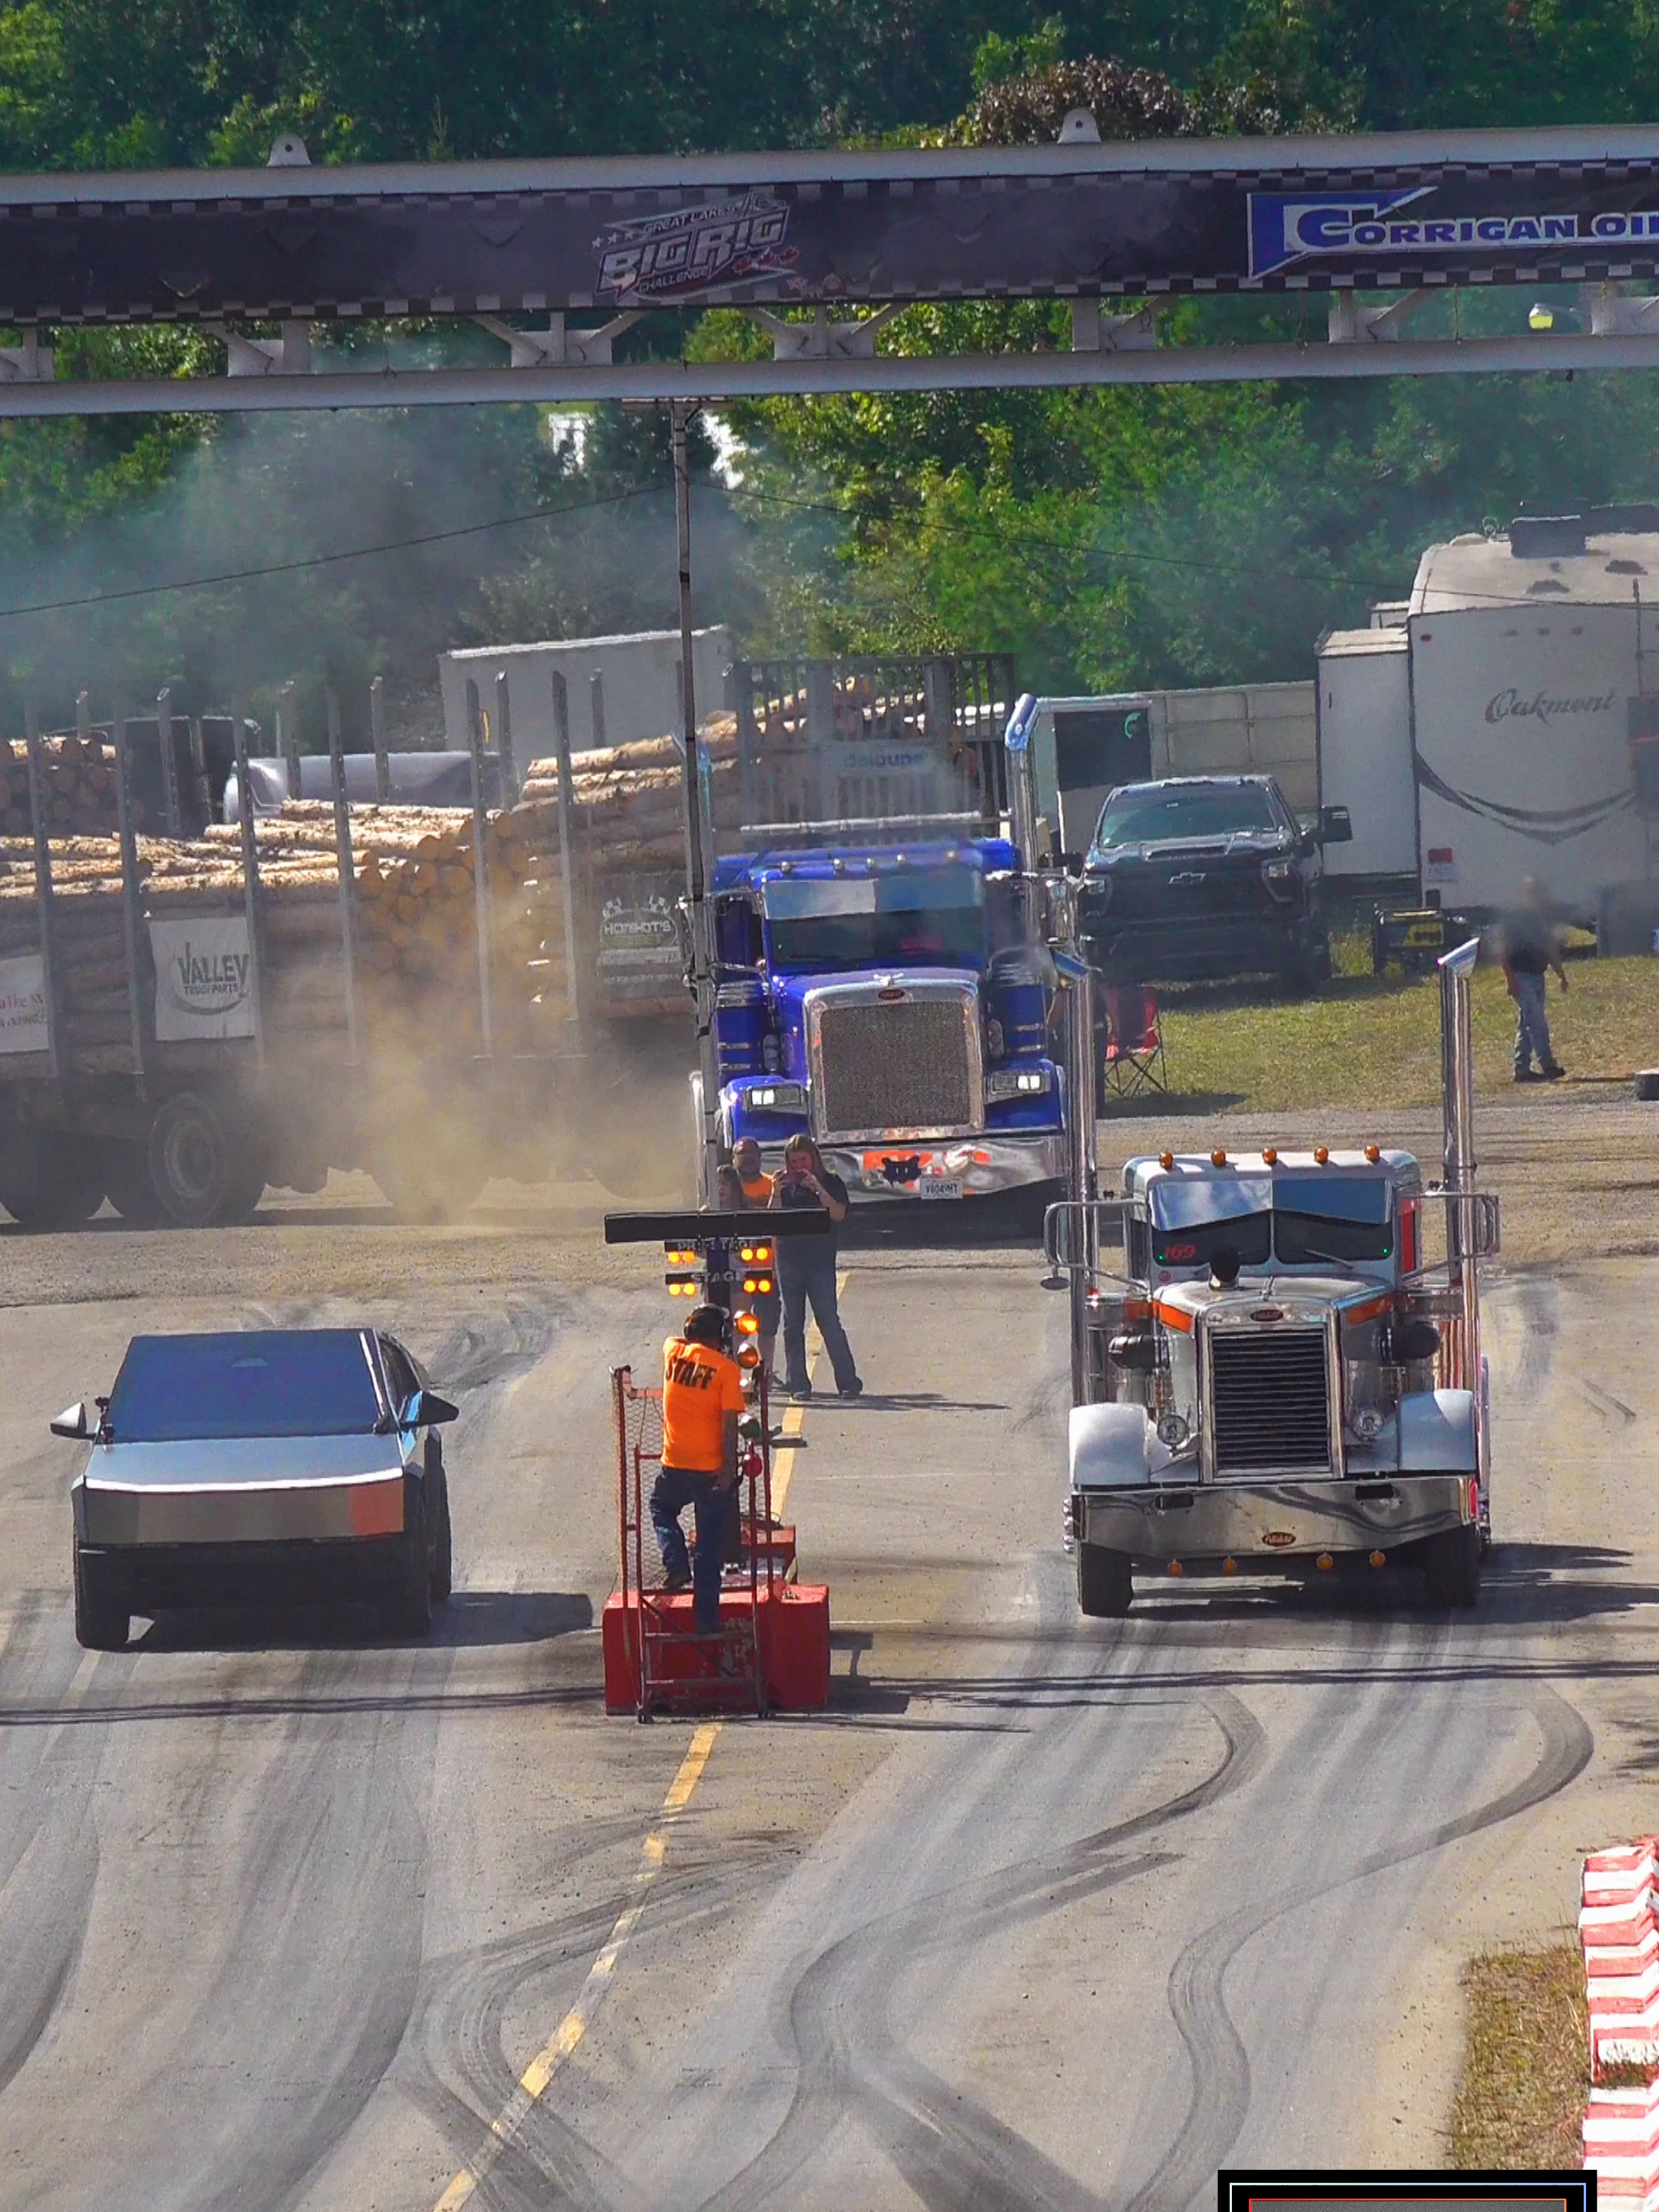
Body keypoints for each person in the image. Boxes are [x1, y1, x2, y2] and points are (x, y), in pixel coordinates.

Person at [651, 1303, 744, 1634]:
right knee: (708, 1547)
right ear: (720, 1337)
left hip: (675, 1464)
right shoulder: (727, 1371)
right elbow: (730, 1425)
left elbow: (675, 1337)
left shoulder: (672, 1352)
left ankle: (676, 1564)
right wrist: (728, 1467)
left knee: (661, 1508)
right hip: (710, 1469)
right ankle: (706, 1621)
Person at [769, 1134, 862, 1400]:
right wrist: (776, 1192)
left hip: (819, 1261)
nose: (799, 1166)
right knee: (792, 1324)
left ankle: (848, 1382)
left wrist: (818, 1188)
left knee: (829, 1321)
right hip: (789, 1261)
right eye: (794, 1161)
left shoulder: (831, 1182)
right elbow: (770, 1221)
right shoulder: (785, 1185)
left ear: (814, 1159)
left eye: (803, 1160)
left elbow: (839, 1214)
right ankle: (797, 1383)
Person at [1502, 877, 1568, 1082]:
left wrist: (1561, 975)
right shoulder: (1516, 920)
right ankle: (1548, 1065)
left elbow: (1548, 949)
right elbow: (1503, 952)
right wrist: (1510, 980)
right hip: (1522, 978)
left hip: (1538, 977)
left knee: (1527, 1023)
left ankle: (1521, 1069)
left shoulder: (1542, 920)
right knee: (1537, 1023)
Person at [730, 1138, 781, 1382]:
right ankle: (732, 1373)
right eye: (742, 1153)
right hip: (737, 1273)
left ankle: (766, 1373)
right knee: (737, 1325)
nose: (747, 1157)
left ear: (760, 1157)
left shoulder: (773, 1185)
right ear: (733, 1158)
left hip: (768, 1271)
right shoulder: (727, 1190)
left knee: (768, 1325)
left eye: (751, 1153)